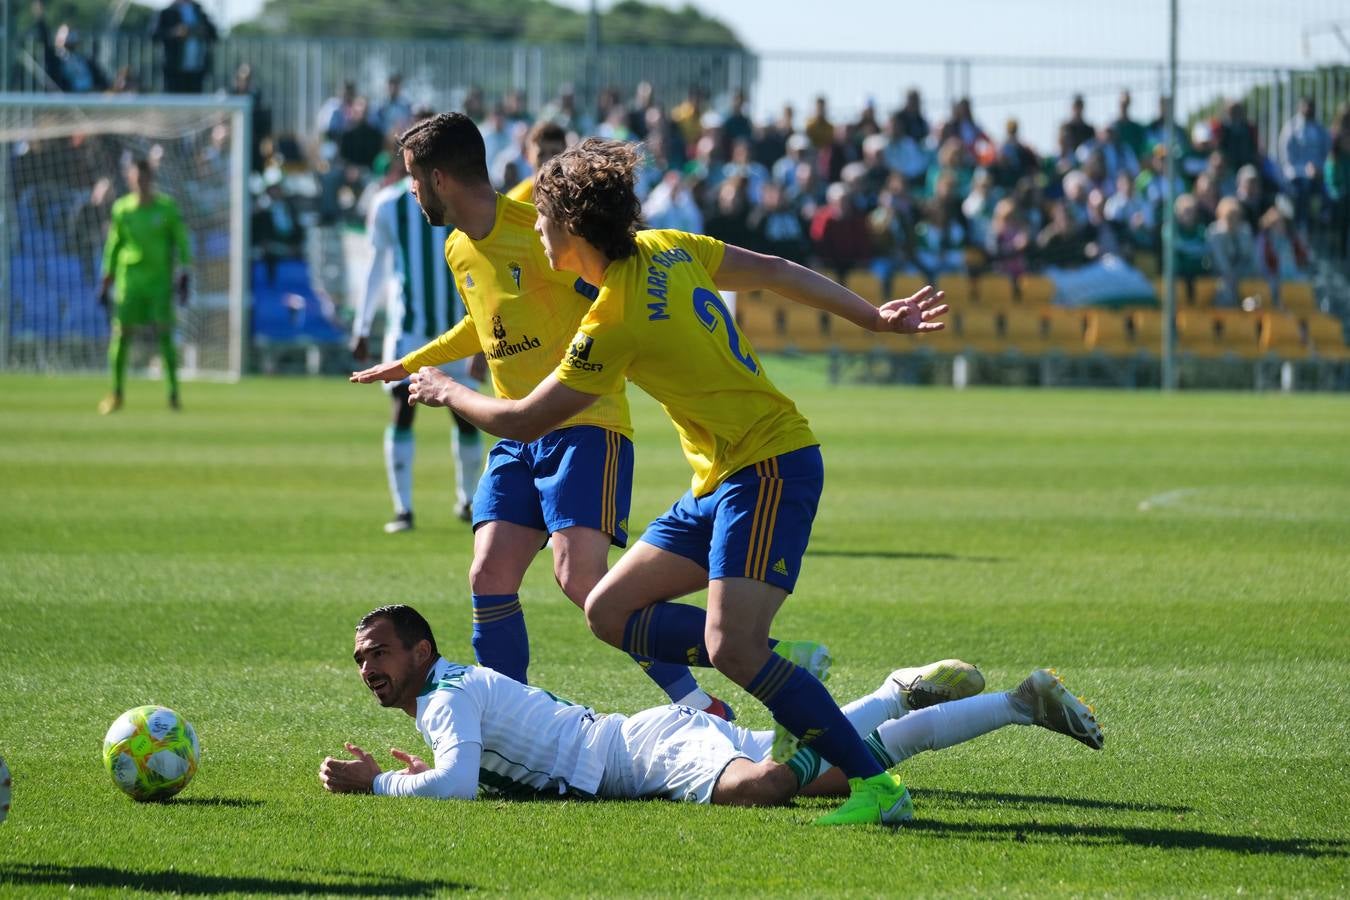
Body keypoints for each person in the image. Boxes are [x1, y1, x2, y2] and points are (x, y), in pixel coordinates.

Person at [398, 137, 951, 826]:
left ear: (571, 227)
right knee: (605, 609)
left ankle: (875, 785)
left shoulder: (613, 321)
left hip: (768, 465)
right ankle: (793, 673)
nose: (533, 228)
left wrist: (448, 391)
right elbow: (775, 270)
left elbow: (518, 420)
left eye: (541, 218)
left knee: (732, 647)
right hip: (716, 480)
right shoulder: (669, 246)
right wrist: (874, 315)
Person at [350, 114, 728, 719]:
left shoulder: (542, 230)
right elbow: (485, 324)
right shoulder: (456, 247)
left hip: (584, 426)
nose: (412, 192)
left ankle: (700, 696)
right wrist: (411, 363)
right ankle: (512, 722)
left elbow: (615, 289)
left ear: (439, 178)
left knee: (582, 581)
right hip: (514, 435)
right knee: (488, 574)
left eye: (414, 180)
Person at [319, 605, 1102, 813]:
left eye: (380, 653)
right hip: (641, 738)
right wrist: (442, 767)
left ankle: (806, 695)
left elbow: (454, 788)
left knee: (770, 786)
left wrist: (378, 785)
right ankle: (1008, 702)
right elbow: (474, 767)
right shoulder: (454, 691)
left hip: (640, 756)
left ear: (421, 652)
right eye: (361, 659)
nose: (368, 669)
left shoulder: (446, 700)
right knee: (835, 771)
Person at [352, 146, 484, 532]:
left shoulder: (462, 203)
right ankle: (404, 509)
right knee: (403, 408)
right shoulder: (388, 206)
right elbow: (376, 266)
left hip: (457, 328)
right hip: (409, 329)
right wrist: (362, 326)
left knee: (466, 414)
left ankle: (469, 501)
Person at [97, 158, 191, 415]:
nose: (141, 183)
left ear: (152, 179)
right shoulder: (122, 209)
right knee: (121, 336)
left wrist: (184, 270)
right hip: (130, 283)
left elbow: (181, 241)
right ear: (130, 179)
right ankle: (116, 393)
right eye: (137, 179)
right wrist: (107, 277)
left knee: (165, 336)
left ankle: (173, 394)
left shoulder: (167, 208)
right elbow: (114, 246)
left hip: (159, 283)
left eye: (145, 178)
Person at [151, 0, 218, 94]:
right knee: (173, 102)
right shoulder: (167, 12)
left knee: (195, 104)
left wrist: (202, 31)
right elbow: (154, 35)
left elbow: (214, 35)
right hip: (174, 70)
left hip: (197, 69)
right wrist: (175, 33)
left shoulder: (199, 11)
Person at [504, 120, 567, 204]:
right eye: (541, 155)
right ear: (527, 156)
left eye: (555, 153)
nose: (548, 161)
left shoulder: (577, 197)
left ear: (566, 154)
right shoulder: (515, 201)